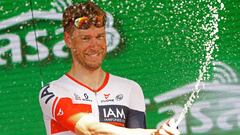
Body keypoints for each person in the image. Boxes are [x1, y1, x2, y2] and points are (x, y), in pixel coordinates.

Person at [39, 1, 180, 135]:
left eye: (100, 36)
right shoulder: (52, 92)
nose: (95, 46)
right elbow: (91, 130)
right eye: (86, 38)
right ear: (68, 40)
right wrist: (154, 133)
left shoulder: (130, 88)